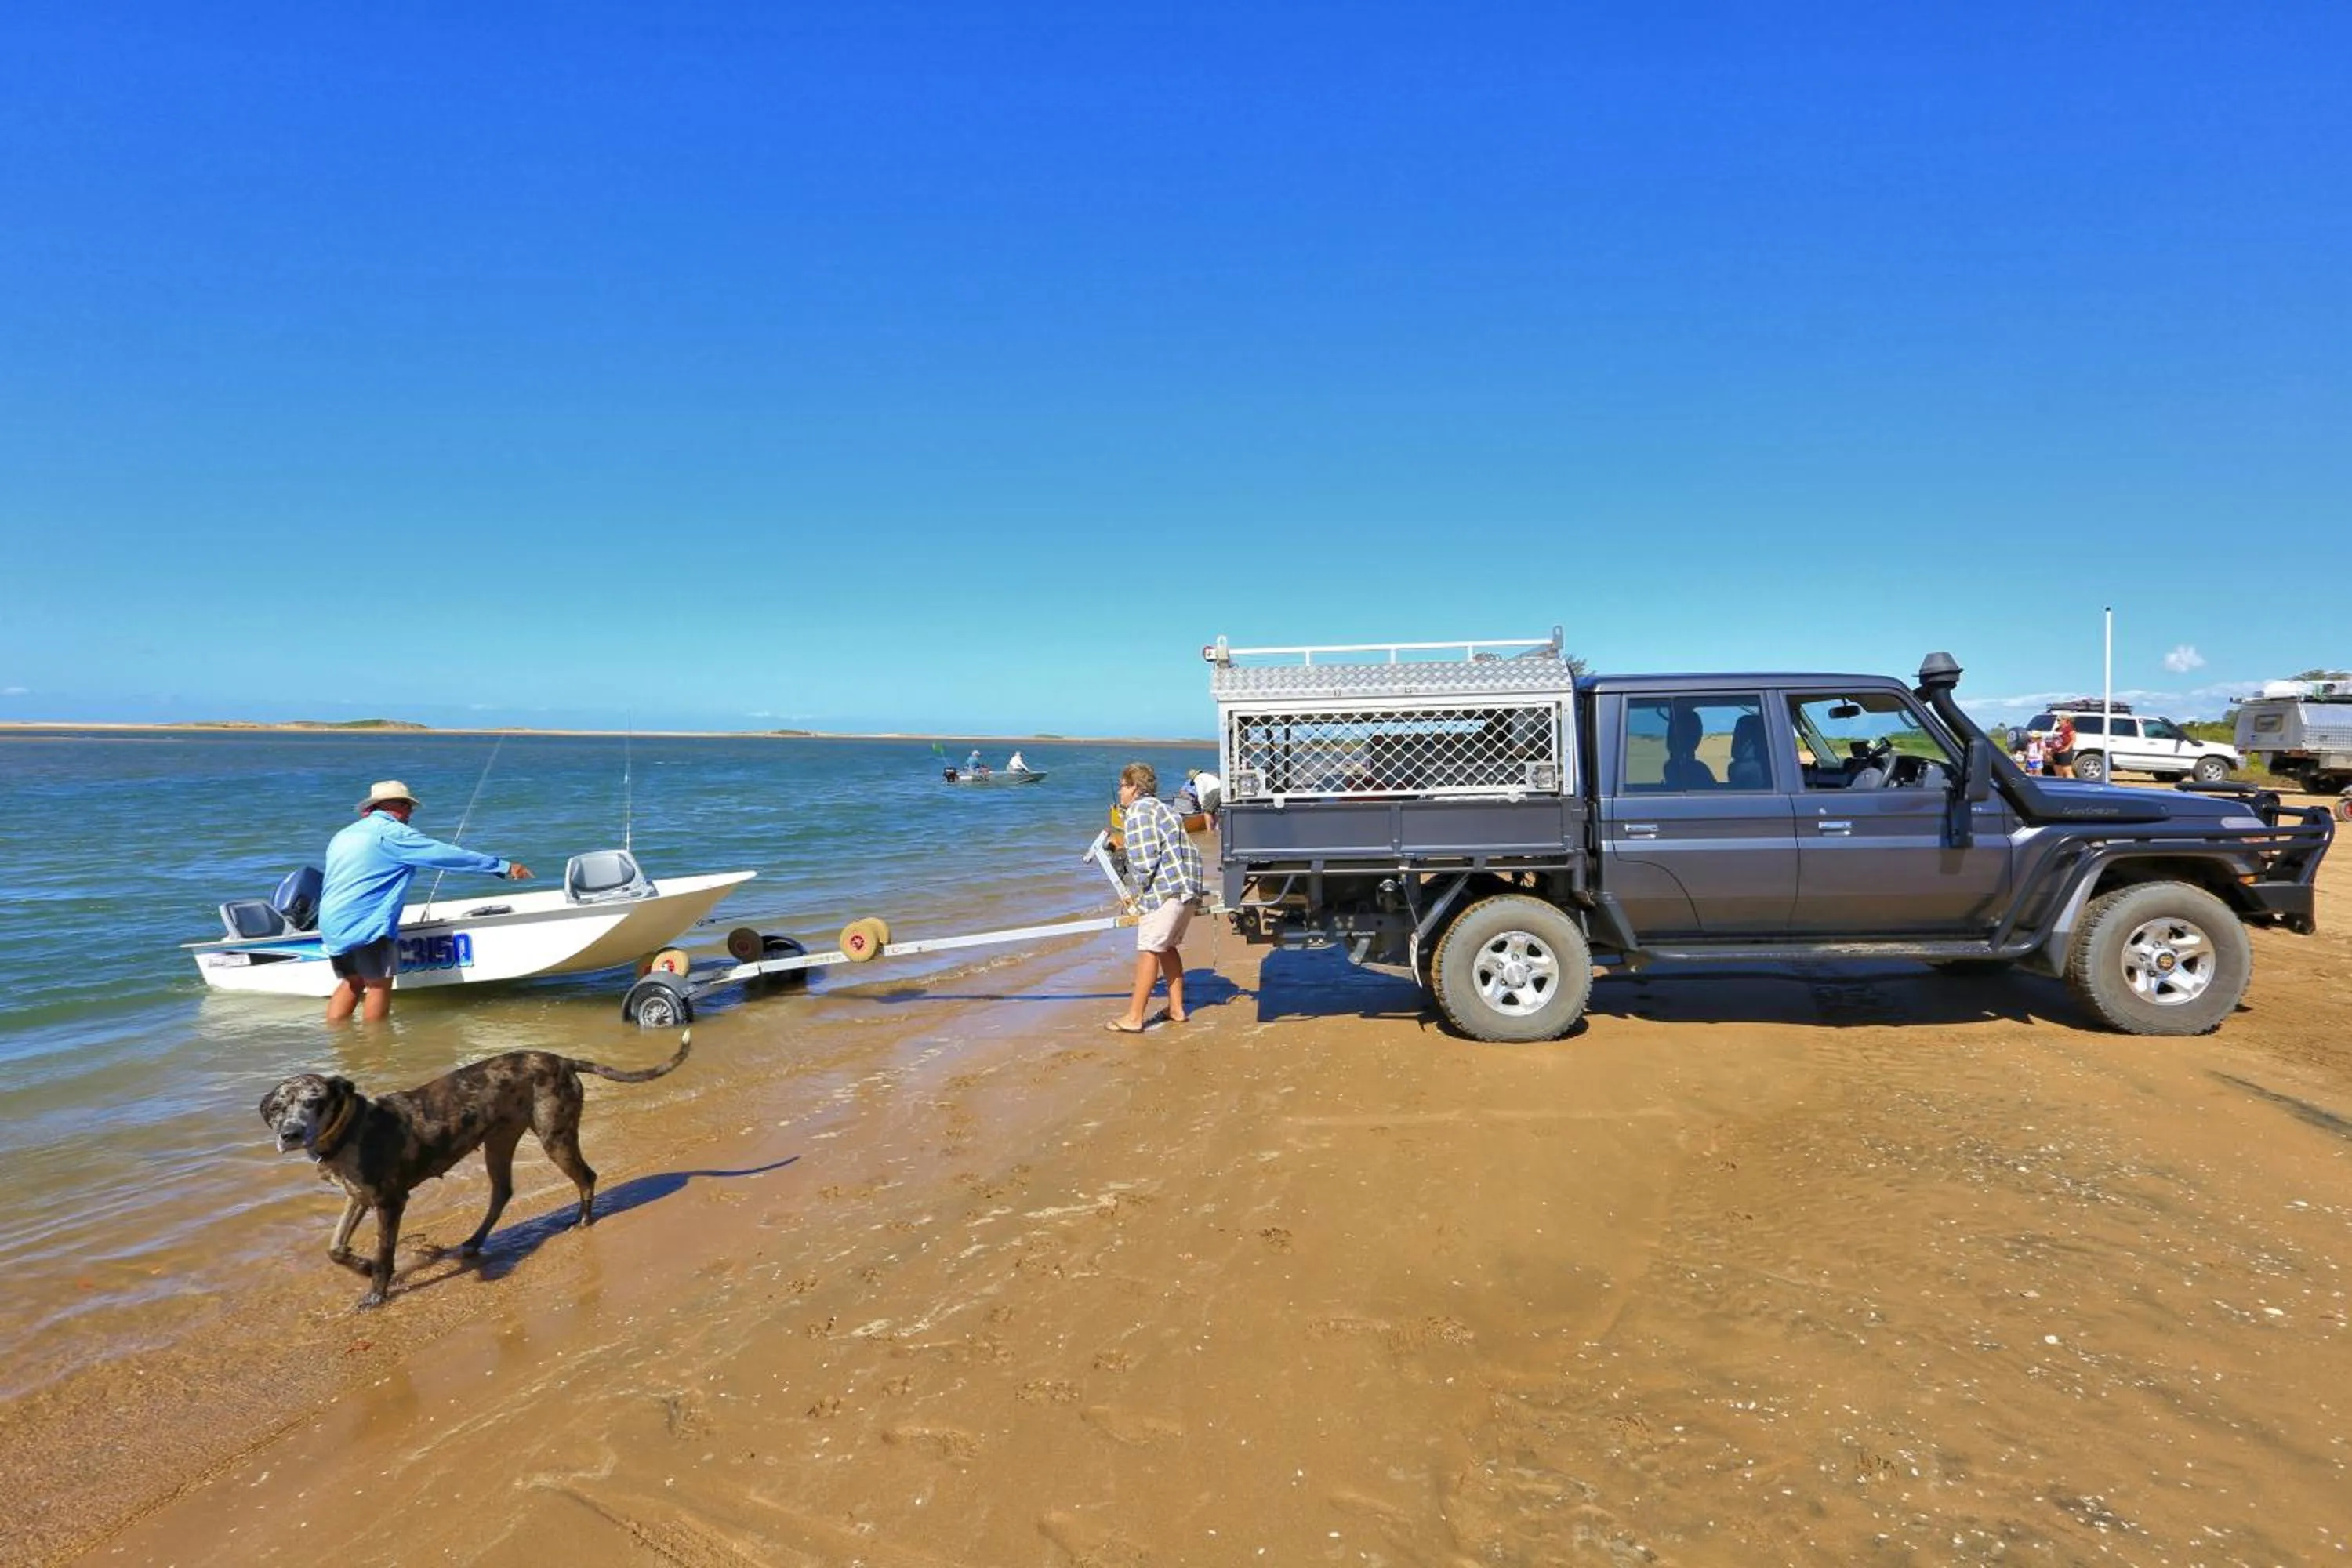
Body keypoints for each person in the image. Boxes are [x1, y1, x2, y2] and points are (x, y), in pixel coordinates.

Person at [319, 780, 532, 1023]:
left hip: (332, 922)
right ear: (391, 806)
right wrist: (502, 866)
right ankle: (375, 1052)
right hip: (365, 923)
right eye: (407, 805)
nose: (411, 812)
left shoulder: (345, 834)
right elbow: (445, 855)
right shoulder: (393, 834)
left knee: (352, 982)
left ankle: (339, 1045)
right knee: (378, 985)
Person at [1106, 762, 1208, 1033]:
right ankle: (1176, 1009)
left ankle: (1134, 1017)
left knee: (1149, 949)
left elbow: (1145, 863)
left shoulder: (1138, 812)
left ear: (1135, 788)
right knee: (1167, 947)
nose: (1120, 791)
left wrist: (1133, 895)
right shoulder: (1163, 807)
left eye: (1122, 785)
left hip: (1166, 892)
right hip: (1188, 888)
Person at [2049, 713, 2078, 779]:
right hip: (2056, 751)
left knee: (2067, 769)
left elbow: (2074, 739)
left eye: (2059, 720)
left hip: (2065, 751)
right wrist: (2051, 749)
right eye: (2057, 720)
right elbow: (2054, 740)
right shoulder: (2057, 729)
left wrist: (2067, 748)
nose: (2058, 722)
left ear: (2065, 720)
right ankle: (2060, 783)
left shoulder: (2070, 728)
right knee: (2057, 768)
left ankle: (2073, 784)